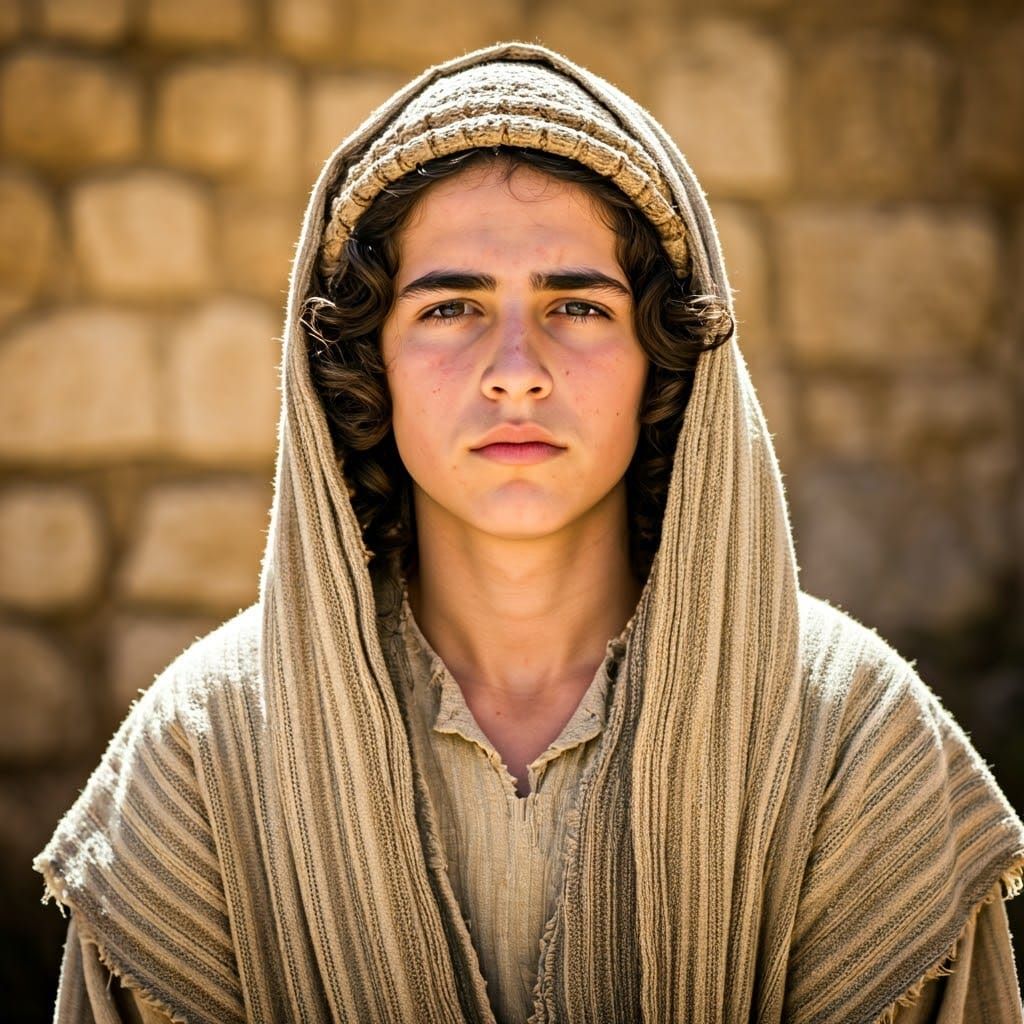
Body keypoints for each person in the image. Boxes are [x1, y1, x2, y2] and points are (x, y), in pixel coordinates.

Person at [34, 41, 1024, 1024]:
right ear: (369, 359)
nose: (516, 370)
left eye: (578, 306)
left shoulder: (852, 740)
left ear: (662, 355)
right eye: (451, 307)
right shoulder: (203, 758)